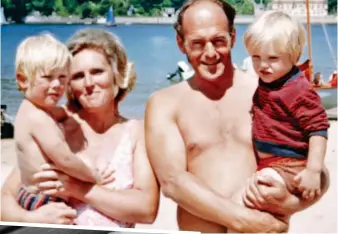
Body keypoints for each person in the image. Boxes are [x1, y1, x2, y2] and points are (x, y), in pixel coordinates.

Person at [145, 0, 329, 233]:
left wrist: (292, 203)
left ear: (233, 36)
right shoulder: (164, 103)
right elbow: (173, 182)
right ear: (180, 43)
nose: (210, 53)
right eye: (197, 43)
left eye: (218, 40)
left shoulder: (267, 92)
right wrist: (243, 220)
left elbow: (310, 163)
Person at [1, 28, 159, 227]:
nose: (89, 83)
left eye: (97, 72)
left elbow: (146, 210)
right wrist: (31, 219)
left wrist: (76, 188)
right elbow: (5, 197)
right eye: (77, 76)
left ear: (117, 74)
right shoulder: (56, 125)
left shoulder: (136, 132)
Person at [241, 8, 329, 215]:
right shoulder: (269, 81)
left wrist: (313, 170)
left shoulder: (298, 90)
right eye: (256, 57)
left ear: (294, 56)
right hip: (270, 161)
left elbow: (318, 129)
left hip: (291, 164)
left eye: (272, 58)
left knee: (259, 195)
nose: (263, 65)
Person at [14, 33, 113, 211]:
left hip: (27, 192)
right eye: (47, 77)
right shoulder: (38, 118)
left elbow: (61, 113)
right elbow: (65, 159)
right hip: (44, 199)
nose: (57, 84)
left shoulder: (31, 110)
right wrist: (94, 177)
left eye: (62, 77)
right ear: (23, 80)